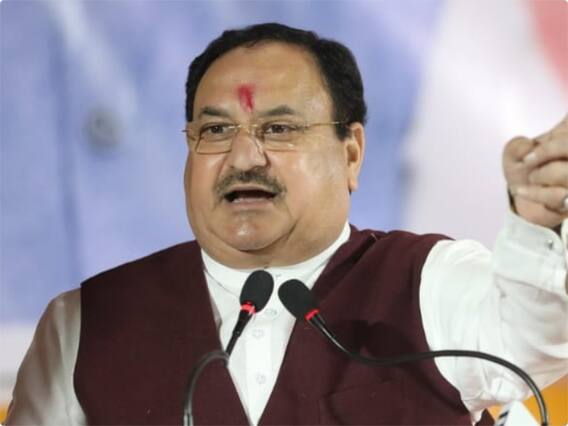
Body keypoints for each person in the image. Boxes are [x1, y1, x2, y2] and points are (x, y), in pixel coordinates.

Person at [5, 23, 567, 426]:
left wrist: (535, 223)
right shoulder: (87, 323)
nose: (244, 157)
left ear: (351, 153)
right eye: (215, 131)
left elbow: (530, 343)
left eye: (279, 129)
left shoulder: (428, 281)